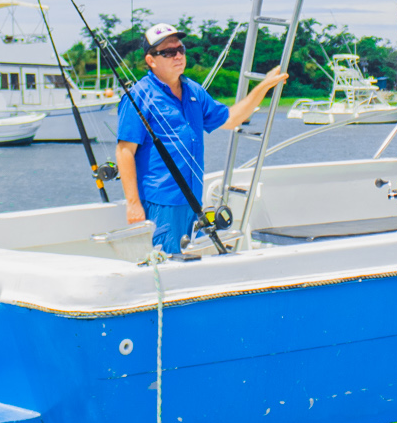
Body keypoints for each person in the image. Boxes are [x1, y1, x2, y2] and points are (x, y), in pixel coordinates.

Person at [117, 23, 288, 257]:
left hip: (193, 200)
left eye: (180, 49)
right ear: (151, 60)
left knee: (189, 261)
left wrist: (264, 86)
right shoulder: (138, 96)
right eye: (168, 52)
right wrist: (133, 204)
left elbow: (230, 118)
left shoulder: (194, 91)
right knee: (167, 263)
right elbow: (125, 152)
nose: (177, 55)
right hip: (162, 202)